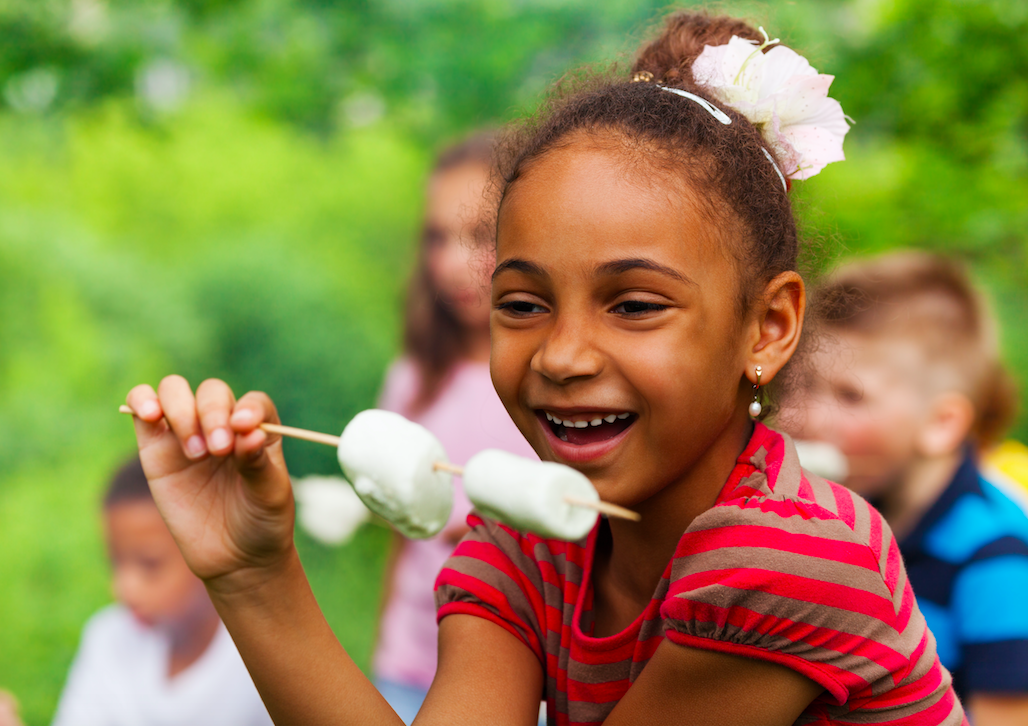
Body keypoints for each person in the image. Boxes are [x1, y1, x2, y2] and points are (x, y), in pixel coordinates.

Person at [123, 10, 965, 724]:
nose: (561, 357)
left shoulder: (786, 560)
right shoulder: (530, 538)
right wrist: (251, 571)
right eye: (522, 304)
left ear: (768, 328)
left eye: (635, 305)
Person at [778, 251, 1028, 725]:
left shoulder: (997, 558)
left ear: (940, 423)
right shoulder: (842, 514)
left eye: (850, 395)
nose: (801, 417)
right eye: (800, 382)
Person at [372, 133, 537, 723]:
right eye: (436, 238)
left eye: (479, 237)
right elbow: (398, 539)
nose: (448, 265)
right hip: (409, 661)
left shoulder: (551, 385)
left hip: (522, 676)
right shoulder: (413, 378)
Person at [50, 457, 273, 726]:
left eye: (150, 564)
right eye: (115, 562)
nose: (124, 589)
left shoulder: (260, 665)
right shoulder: (108, 638)